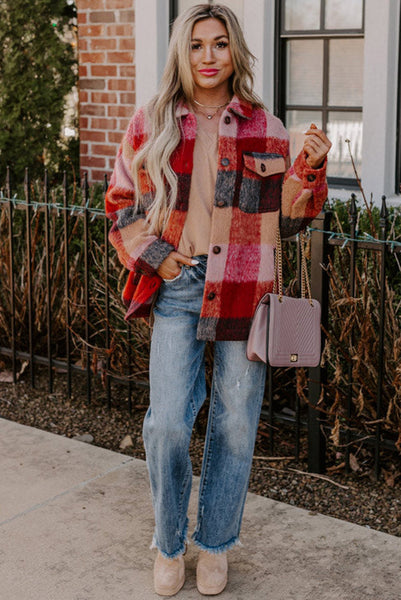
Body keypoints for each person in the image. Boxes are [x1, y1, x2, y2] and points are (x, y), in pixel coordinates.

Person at [105, 3, 331, 596]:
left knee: (235, 425)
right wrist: (157, 255)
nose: (209, 56)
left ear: (236, 52)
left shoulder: (267, 127)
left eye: (220, 44)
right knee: (170, 425)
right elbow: (120, 205)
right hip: (178, 285)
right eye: (198, 44)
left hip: (245, 287)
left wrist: (308, 168)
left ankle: (215, 544)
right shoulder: (150, 121)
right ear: (183, 50)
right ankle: (170, 542)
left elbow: (291, 217)